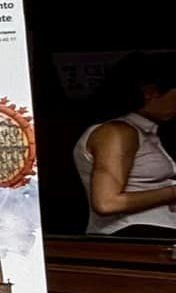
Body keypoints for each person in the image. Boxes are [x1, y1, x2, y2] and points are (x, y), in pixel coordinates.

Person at [75, 51, 176, 237]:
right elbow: (106, 202)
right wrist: (172, 193)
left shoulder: (146, 132)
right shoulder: (117, 133)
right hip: (135, 235)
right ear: (150, 93)